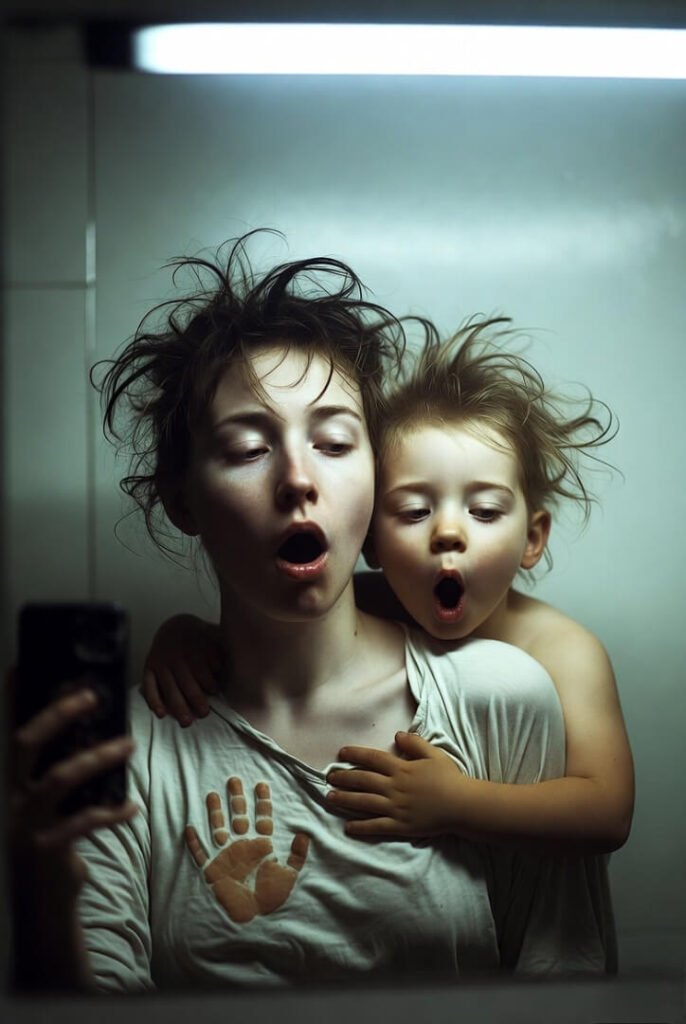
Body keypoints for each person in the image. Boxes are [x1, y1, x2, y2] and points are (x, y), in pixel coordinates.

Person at [9, 234, 616, 993]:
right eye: (246, 448)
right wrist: (41, 884)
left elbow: (566, 976)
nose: (299, 478)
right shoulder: (128, 753)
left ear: (375, 480)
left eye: (333, 442)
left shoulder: (502, 696)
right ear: (180, 498)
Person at [147, 317, 634, 856]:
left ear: (533, 538)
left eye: (484, 510)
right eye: (415, 511)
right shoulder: (379, 601)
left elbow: (609, 812)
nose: (448, 532)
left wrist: (457, 804)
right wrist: (183, 635)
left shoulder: (563, 650)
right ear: (372, 543)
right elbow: (278, 634)